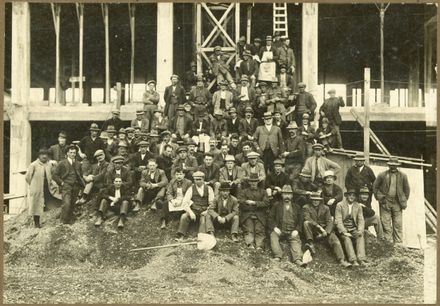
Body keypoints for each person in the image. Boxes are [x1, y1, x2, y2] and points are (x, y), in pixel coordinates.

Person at [302, 193, 352, 268]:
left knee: (336, 241)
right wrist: (319, 227)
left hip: (325, 231)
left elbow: (329, 221)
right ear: (311, 200)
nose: (315, 202)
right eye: (314, 200)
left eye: (317, 200)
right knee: (306, 223)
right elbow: (307, 218)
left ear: (320, 201)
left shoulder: (325, 208)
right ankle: (310, 243)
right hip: (313, 230)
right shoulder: (306, 207)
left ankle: (341, 260)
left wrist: (326, 231)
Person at [373, 156, 410, 244]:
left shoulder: (403, 176)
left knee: (398, 224)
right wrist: (380, 198)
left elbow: (407, 190)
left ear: (397, 165)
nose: (393, 166)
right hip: (385, 202)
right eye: (391, 165)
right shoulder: (382, 175)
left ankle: (398, 246)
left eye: (394, 165)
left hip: (397, 203)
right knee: (386, 224)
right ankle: (388, 245)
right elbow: (375, 187)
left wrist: (403, 200)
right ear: (388, 165)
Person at [268, 185, 306, 267]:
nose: (287, 196)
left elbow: (300, 220)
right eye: (285, 194)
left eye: (289, 194)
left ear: (292, 196)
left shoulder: (297, 207)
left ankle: (297, 259)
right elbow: (270, 218)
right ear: (282, 195)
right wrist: (275, 227)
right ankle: (277, 256)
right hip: (280, 230)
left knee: (295, 241)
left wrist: (297, 230)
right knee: (273, 236)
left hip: (292, 231)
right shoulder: (276, 205)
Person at [176, 171, 214, 241]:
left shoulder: (209, 188)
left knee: (203, 220)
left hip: (205, 210)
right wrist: (190, 212)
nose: (197, 181)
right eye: (196, 179)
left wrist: (207, 211)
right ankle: (181, 235)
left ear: (203, 179)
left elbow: (212, 203)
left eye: (199, 179)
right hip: (194, 210)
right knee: (184, 216)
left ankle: (201, 237)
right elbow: (185, 202)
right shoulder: (191, 188)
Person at [52, 144, 85, 224]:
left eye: (74, 153)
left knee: (73, 204)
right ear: (67, 153)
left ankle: (70, 221)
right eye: (71, 152)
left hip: (76, 186)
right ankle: (62, 222)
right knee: (66, 203)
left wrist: (81, 187)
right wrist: (62, 183)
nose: (73, 154)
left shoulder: (78, 164)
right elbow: (54, 175)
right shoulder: (62, 163)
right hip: (66, 186)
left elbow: (80, 175)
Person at [334, 189, 367, 266]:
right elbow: (338, 220)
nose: (352, 197)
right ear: (346, 196)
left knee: (360, 236)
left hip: (353, 228)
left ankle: (361, 259)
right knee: (347, 238)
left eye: (353, 195)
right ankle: (353, 260)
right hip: (343, 228)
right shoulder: (340, 205)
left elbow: (361, 219)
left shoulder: (358, 206)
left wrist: (360, 230)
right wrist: (344, 232)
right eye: (350, 195)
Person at [237, 173, 270, 249]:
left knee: (259, 230)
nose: (253, 183)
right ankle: (250, 244)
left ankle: (259, 246)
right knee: (249, 230)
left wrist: (254, 203)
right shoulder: (244, 191)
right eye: (251, 181)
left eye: (255, 181)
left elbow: (266, 203)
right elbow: (241, 202)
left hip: (260, 215)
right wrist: (248, 204)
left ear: (258, 182)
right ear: (249, 182)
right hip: (247, 214)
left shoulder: (263, 192)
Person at [25, 148, 56, 228]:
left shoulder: (49, 164)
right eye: (42, 154)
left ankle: (50, 221)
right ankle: (37, 223)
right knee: (36, 205)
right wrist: (33, 185)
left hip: (47, 187)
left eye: (46, 155)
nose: (44, 156)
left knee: (49, 202)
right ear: (39, 156)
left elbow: (52, 173)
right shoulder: (33, 165)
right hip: (37, 188)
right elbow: (27, 177)